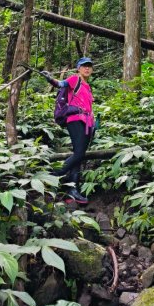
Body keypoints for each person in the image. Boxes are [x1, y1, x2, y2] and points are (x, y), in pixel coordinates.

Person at [41, 57, 95, 204]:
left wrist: (94, 122)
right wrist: (50, 79)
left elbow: (89, 107)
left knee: (79, 155)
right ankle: (53, 175)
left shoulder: (87, 87)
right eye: (84, 66)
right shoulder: (74, 79)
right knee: (79, 154)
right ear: (78, 68)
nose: (87, 69)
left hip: (87, 122)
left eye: (89, 66)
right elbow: (60, 84)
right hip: (75, 120)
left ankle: (72, 190)